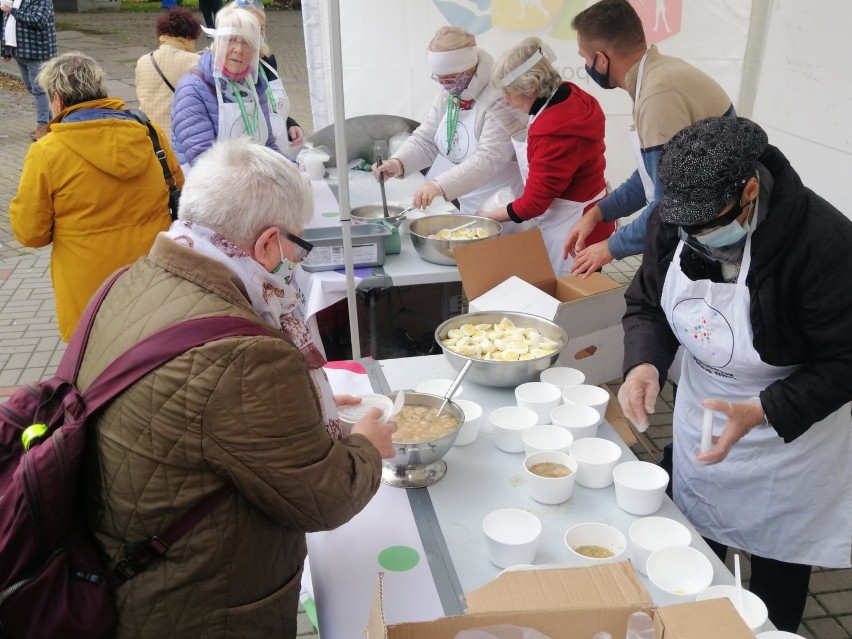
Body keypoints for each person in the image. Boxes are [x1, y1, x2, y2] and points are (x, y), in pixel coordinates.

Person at [78, 138, 397, 638]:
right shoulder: (246, 355)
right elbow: (324, 500)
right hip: (202, 601)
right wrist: (366, 449)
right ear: (268, 243)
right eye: (297, 245)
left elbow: (209, 419)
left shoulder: (128, 279)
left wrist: (301, 409)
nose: (294, 260)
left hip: (122, 558)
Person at [617, 117, 852, 632]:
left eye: (708, 224)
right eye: (685, 228)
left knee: (776, 566)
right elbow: (646, 304)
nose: (696, 239)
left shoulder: (826, 242)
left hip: (788, 432)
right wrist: (643, 363)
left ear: (750, 190)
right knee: (689, 543)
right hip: (705, 406)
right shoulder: (676, 219)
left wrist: (766, 410)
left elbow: (845, 360)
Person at [9, 52, 180, 342]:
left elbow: (31, 234)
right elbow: (178, 188)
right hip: (153, 279)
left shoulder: (47, 151)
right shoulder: (148, 132)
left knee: (95, 375)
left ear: (58, 100)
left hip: (89, 296)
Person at [564, 0, 734, 276]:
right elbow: (651, 175)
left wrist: (611, 246)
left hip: (718, 238)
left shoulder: (659, 95)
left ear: (602, 59)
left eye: (585, 58)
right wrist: (599, 212)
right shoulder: (656, 77)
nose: (586, 65)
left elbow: (669, 201)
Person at [478, 37, 615, 276]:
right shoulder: (571, 93)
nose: (507, 100)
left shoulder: (554, 131)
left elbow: (535, 203)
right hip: (591, 209)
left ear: (530, 87)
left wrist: (489, 217)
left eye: (509, 93)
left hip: (573, 229)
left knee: (571, 301)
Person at [372, 26, 526, 215]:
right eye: (440, 79)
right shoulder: (451, 91)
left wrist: (438, 186)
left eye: (451, 78)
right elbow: (426, 139)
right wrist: (398, 163)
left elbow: (490, 158)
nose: (445, 85)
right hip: (471, 200)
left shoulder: (500, 95)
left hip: (506, 204)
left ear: (470, 67)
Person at [171, 5, 279, 168]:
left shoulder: (254, 85)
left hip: (253, 183)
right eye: (231, 40)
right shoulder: (192, 88)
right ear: (218, 42)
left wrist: (291, 170)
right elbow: (203, 159)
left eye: (247, 43)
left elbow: (268, 144)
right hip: (207, 188)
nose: (239, 49)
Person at [230, 0, 305, 150]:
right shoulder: (228, 71)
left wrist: (289, 124)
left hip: (276, 154)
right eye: (251, 27)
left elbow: (269, 108)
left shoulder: (266, 64)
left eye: (261, 28)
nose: (259, 33)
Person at [135, 7, 201, 143]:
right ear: (190, 37)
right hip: (177, 138)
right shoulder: (195, 61)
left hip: (149, 136)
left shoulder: (143, 61)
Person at [0, 0, 57, 141]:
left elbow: (38, 20)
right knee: (33, 88)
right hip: (19, 52)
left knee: (40, 90)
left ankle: (43, 126)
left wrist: (12, 10)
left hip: (37, 52)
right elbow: (7, 24)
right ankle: (51, 124)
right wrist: (5, 50)